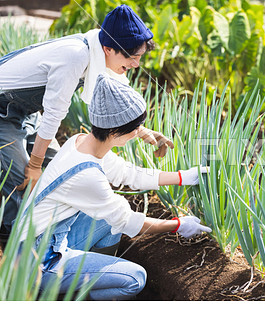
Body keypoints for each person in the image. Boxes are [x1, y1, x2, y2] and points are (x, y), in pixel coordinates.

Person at [17, 73, 212, 300]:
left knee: (107, 221)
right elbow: (128, 221)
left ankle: (87, 277)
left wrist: (182, 177)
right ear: (113, 131)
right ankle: (69, 296)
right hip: (39, 262)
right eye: (135, 128)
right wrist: (179, 225)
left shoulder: (81, 142)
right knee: (135, 278)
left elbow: (128, 173)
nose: (138, 133)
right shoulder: (86, 174)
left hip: (44, 239)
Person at [0, 5, 172, 239]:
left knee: (58, 167)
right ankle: (13, 247)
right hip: (3, 112)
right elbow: (54, 112)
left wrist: (142, 132)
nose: (136, 64)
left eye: (139, 57)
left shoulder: (100, 52)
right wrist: (34, 165)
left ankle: (48, 234)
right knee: (22, 179)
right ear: (109, 49)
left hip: (27, 111)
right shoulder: (75, 55)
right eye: (132, 57)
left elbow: (119, 103)